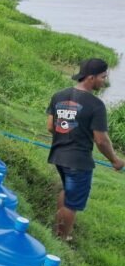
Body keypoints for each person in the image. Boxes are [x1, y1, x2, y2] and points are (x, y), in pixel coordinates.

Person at [46, 58, 123, 241]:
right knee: (72, 203)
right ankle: (60, 238)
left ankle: (57, 230)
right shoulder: (96, 105)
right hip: (78, 162)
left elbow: (50, 126)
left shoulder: (59, 95)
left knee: (67, 191)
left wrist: (67, 134)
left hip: (58, 155)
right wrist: (115, 160)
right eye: (103, 77)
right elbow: (101, 140)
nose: (105, 81)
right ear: (90, 77)